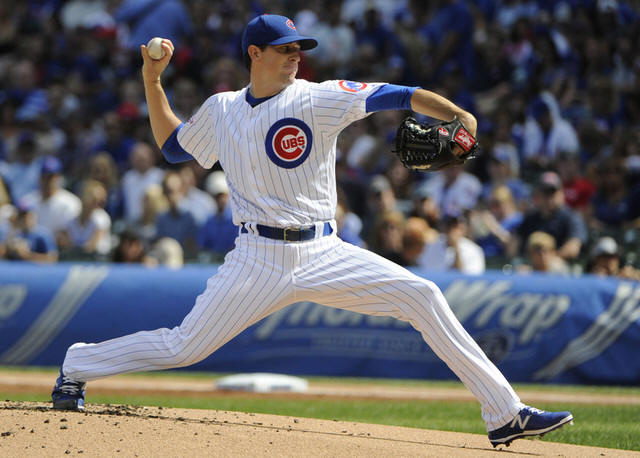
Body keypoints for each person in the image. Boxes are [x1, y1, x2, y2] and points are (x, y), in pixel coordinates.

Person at [51, 14, 572, 447]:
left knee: (423, 295)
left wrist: (458, 114)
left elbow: (400, 94)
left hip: (324, 251)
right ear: (254, 53)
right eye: (284, 48)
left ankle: (505, 414)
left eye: (299, 47)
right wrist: (152, 80)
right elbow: (172, 148)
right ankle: (78, 363)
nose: (295, 55)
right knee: (183, 348)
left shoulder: (319, 97)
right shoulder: (223, 108)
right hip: (256, 257)